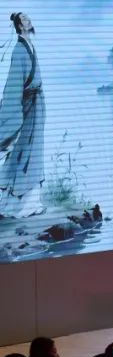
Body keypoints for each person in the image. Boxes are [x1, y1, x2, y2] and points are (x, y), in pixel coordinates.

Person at [0, 12, 44, 218]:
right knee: (24, 151)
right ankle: (19, 206)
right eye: (24, 19)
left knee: (30, 150)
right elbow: (13, 85)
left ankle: (26, 203)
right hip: (26, 107)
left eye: (28, 18)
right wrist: (13, 116)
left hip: (35, 107)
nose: (28, 20)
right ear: (19, 25)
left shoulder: (29, 44)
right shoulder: (19, 50)